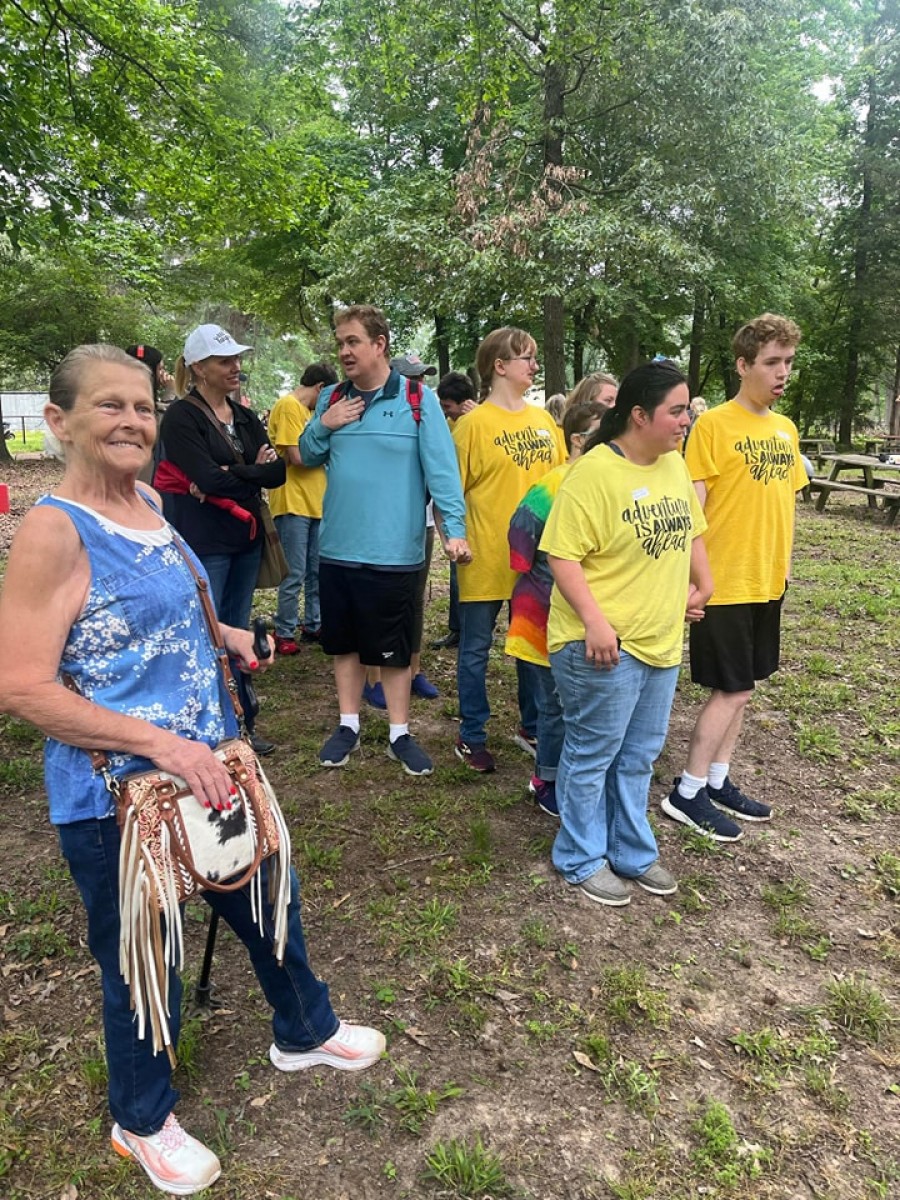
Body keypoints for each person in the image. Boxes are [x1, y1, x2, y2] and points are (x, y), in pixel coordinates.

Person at [0, 345, 384, 1197]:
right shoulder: (55, 531)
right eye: (109, 406)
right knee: (146, 955)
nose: (133, 421)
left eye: (142, 406)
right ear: (60, 421)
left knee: (267, 896)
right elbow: (20, 684)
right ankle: (141, 1120)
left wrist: (230, 636)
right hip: (118, 796)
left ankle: (304, 1030)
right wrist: (166, 746)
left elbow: (180, 604)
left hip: (213, 764)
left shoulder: (147, 502)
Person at [541, 360, 712, 906]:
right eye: (676, 410)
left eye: (686, 409)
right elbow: (561, 555)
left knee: (638, 756)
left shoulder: (673, 464)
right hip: (601, 645)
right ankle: (580, 856)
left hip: (660, 639)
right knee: (593, 753)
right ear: (639, 415)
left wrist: (703, 584)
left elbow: (692, 530)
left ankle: (631, 852)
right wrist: (595, 622)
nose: (686, 419)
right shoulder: (593, 473)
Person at [299, 305, 470, 777]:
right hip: (338, 547)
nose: (344, 351)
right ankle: (348, 725)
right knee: (346, 644)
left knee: (394, 646)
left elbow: (443, 473)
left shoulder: (417, 399)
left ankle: (400, 733)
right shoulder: (332, 396)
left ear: (380, 344)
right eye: (340, 343)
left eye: (353, 341)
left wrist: (455, 531)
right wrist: (326, 422)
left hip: (395, 550)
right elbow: (307, 454)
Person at [662, 314, 806, 840]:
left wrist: (784, 565)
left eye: (788, 362)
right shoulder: (713, 426)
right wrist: (690, 580)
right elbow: (692, 509)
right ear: (743, 365)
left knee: (745, 687)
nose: (782, 372)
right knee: (733, 690)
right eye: (771, 362)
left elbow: (784, 504)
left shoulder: (786, 430)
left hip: (767, 581)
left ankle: (717, 779)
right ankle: (687, 791)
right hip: (722, 582)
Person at [156, 324, 285, 756]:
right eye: (224, 360)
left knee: (238, 629)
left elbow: (277, 472)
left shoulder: (244, 415)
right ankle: (206, 727)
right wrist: (248, 471)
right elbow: (206, 477)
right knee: (206, 631)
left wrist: (233, 473)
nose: (235, 367)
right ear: (198, 368)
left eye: (236, 359)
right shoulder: (182, 417)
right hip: (204, 541)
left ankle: (242, 723)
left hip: (245, 538)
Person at [452, 327, 566, 772]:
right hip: (484, 554)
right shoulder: (472, 425)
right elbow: (450, 492)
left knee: (532, 649)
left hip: (537, 562)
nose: (534, 366)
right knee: (476, 649)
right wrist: (452, 538)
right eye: (526, 358)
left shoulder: (544, 422)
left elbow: (564, 485)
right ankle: (471, 734)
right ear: (499, 366)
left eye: (535, 357)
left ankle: (531, 726)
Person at [505, 399, 607, 817]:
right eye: (603, 429)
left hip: (583, 619)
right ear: (579, 439)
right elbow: (519, 536)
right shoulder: (553, 484)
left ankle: (572, 777)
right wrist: (542, 575)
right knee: (553, 704)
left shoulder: (606, 480)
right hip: (542, 615)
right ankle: (545, 779)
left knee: (577, 704)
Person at [361, 351, 443, 706]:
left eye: (423, 377)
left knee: (414, 601)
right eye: (413, 377)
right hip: (382, 525)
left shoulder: (427, 412)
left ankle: (413, 670)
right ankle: (374, 676)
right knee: (378, 601)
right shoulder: (377, 414)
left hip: (420, 523)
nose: (420, 384)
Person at [267, 363, 338, 655]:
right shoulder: (289, 406)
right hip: (292, 502)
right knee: (294, 572)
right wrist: (324, 453)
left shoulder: (311, 414)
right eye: (328, 395)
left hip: (316, 503)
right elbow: (297, 456)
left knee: (316, 571)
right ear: (320, 388)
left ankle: (313, 622)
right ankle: (284, 630)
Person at [431, 371, 478, 651]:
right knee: (455, 573)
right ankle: (457, 629)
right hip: (454, 512)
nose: (445, 411)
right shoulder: (446, 425)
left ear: (465, 403)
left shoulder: (480, 422)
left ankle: (473, 630)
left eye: (448, 406)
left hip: (478, 513)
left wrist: (478, 418)